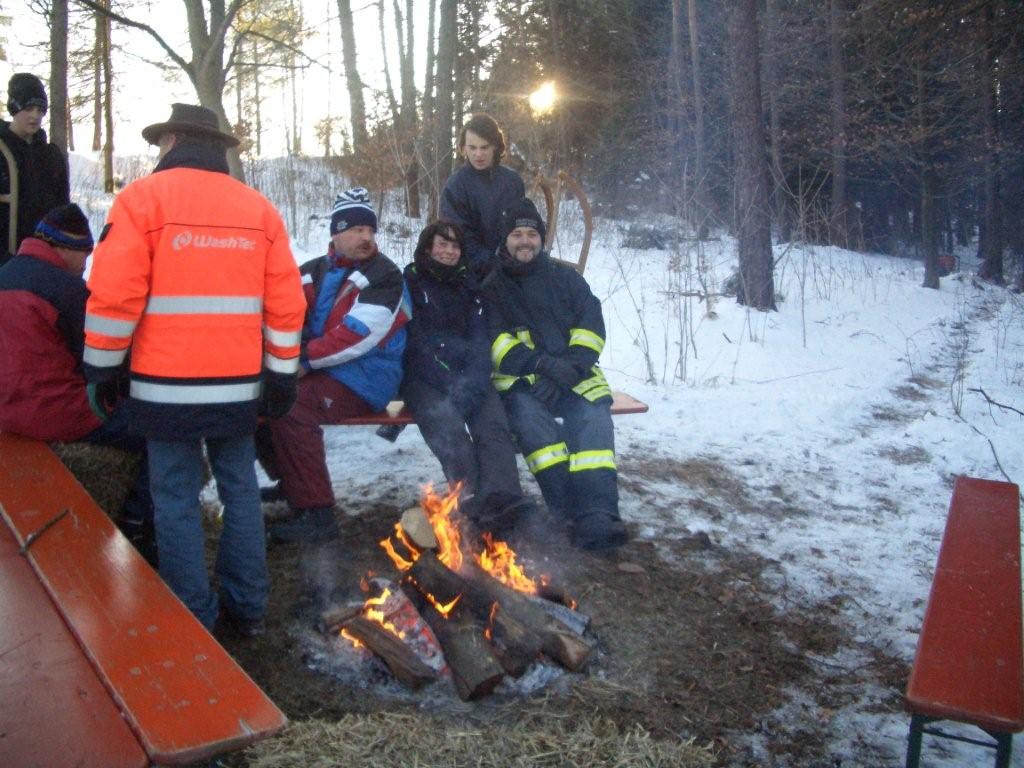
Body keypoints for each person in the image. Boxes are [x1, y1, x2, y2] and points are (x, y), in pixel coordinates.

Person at [82, 103, 305, 635]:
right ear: (217, 148)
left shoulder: (140, 201)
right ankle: (247, 609)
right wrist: (280, 375)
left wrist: (101, 370)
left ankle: (193, 616)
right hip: (238, 388)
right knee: (240, 492)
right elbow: (285, 304)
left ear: (174, 141)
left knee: (175, 499)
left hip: (163, 389)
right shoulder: (259, 210)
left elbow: (114, 297)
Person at [0, 203, 156, 562]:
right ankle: (137, 523)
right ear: (63, 247)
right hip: (53, 413)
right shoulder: (68, 291)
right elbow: (101, 361)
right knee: (159, 429)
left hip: (6, 410)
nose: (86, 264)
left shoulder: (5, 275)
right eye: (84, 253)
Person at [259, 187, 411, 544]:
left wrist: (303, 360)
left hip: (367, 377)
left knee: (292, 405)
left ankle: (317, 515)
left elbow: (358, 334)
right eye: (357, 229)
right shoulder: (313, 271)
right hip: (325, 370)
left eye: (370, 230)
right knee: (260, 395)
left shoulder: (385, 275)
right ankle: (293, 483)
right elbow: (280, 311)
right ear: (337, 233)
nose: (366, 237)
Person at [484, 198, 627, 551]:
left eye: (532, 234)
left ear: (541, 239)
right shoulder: (491, 287)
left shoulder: (567, 280)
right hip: (523, 385)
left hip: (576, 378)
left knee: (593, 420)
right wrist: (541, 366)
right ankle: (566, 514)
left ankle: (598, 514)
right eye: (517, 234)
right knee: (534, 428)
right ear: (505, 240)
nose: (525, 241)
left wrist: (570, 368)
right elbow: (495, 342)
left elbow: (591, 328)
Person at [402, 220, 536, 538]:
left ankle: (504, 500)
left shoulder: (471, 286)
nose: (449, 251)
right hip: (424, 378)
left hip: (470, 377)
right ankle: (471, 500)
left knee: (493, 425)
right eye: (442, 244)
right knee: (449, 430)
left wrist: (474, 379)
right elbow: (414, 342)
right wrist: (450, 382)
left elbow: (481, 339)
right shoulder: (410, 283)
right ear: (428, 248)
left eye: (455, 246)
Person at [439, 114, 525, 273]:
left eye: (484, 147)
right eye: (472, 148)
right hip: (472, 272)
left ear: (495, 146)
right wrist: (494, 265)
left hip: (514, 266)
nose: (478, 154)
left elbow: (522, 224)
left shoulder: (513, 181)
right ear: (463, 148)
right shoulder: (455, 186)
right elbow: (458, 237)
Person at [0, 74, 70, 266]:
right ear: (14, 108)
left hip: (44, 262)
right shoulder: (2, 152)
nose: (35, 116)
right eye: (28, 108)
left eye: (40, 110)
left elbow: (63, 209)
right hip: (5, 264)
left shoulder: (51, 156)